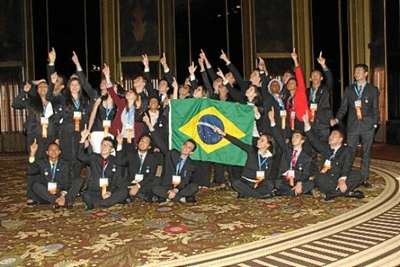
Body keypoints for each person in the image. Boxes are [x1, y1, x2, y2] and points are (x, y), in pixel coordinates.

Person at [331, 64, 379, 187]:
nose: (356, 73)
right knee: (350, 152)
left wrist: (374, 124)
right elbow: (343, 107)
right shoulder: (349, 89)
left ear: (366, 73)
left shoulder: (373, 89)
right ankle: (345, 176)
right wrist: (337, 119)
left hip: (367, 126)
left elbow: (375, 109)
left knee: (366, 153)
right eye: (355, 72)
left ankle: (364, 178)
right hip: (352, 125)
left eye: (359, 71)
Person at [304, 113, 364, 200]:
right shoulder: (325, 147)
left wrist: (342, 179)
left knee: (358, 175)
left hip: (340, 176)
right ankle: (345, 193)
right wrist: (306, 124)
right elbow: (314, 140)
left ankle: (332, 194)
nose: (331, 137)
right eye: (331, 135)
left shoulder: (347, 150)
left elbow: (347, 165)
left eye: (334, 135)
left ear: (340, 139)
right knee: (318, 177)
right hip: (327, 178)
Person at [213, 127, 275, 198]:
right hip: (246, 182)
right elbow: (238, 143)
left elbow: (266, 174)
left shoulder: (269, 157)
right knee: (235, 183)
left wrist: (259, 183)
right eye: (259, 139)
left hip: (258, 183)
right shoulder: (252, 150)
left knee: (270, 184)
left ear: (268, 145)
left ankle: (247, 193)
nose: (258, 141)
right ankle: (258, 195)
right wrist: (223, 134)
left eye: (262, 140)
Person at [147, 120, 198, 203]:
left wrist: (176, 190)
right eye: (185, 145)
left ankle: (169, 197)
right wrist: (149, 126)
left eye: (189, 148)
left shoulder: (191, 164)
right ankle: (181, 198)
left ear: (191, 152)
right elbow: (160, 143)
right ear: (182, 146)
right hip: (167, 185)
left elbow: (185, 181)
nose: (185, 148)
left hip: (180, 187)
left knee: (194, 187)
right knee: (155, 188)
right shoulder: (172, 154)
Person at [78, 127, 127, 209]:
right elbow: (80, 156)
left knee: (124, 192)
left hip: (108, 190)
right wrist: (83, 138)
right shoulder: (94, 157)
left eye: (108, 145)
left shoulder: (114, 160)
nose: (104, 147)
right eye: (103, 144)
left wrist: (109, 192)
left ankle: (98, 204)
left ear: (111, 149)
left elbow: (116, 178)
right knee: (85, 195)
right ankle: (104, 203)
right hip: (95, 191)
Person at [268, 108, 314, 196]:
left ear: (302, 141)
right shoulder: (287, 150)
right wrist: (272, 121)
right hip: (285, 179)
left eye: (297, 137)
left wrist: (299, 182)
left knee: (310, 184)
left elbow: (306, 174)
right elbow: (278, 138)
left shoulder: (306, 156)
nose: (294, 139)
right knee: (276, 182)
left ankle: (288, 191)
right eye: (293, 137)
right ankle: (294, 191)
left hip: (297, 179)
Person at [26, 139, 75, 208]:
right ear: (47, 152)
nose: (53, 151)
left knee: (78, 181)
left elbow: (67, 182)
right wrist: (32, 153)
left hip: (60, 191)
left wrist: (62, 194)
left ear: (59, 152)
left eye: (56, 150)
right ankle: (57, 201)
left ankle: (60, 200)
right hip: (46, 192)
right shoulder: (42, 163)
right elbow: (30, 170)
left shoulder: (65, 164)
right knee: (35, 185)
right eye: (51, 150)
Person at [116, 133, 158, 202]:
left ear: (149, 147)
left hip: (143, 183)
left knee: (156, 180)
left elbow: (150, 176)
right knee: (119, 182)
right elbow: (119, 161)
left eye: (146, 141)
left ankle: (131, 195)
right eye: (141, 140)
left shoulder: (153, 158)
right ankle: (143, 196)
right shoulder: (131, 154)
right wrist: (120, 144)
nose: (142, 142)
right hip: (131, 182)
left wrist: (138, 186)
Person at [306, 52, 334, 142]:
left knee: (324, 146)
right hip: (310, 123)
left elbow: (329, 79)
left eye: (317, 75)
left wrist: (323, 65)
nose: (315, 77)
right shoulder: (306, 91)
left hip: (323, 123)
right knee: (311, 146)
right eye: (313, 75)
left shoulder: (326, 89)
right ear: (310, 79)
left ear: (321, 78)